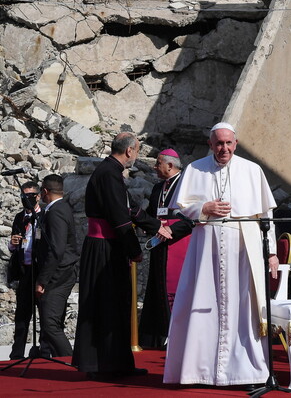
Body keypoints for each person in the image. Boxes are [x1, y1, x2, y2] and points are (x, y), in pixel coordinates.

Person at [163, 122, 279, 389]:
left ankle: (246, 372)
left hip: (243, 247)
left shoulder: (252, 170)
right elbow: (179, 209)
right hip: (207, 248)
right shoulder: (195, 169)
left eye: (228, 143)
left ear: (235, 144)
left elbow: (265, 216)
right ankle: (199, 371)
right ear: (210, 144)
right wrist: (203, 207)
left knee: (244, 308)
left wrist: (271, 252)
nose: (224, 148)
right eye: (218, 143)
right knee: (202, 304)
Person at [72, 132, 172, 378]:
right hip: (105, 247)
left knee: (114, 304)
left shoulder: (110, 172)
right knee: (108, 304)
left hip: (106, 245)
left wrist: (155, 225)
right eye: (137, 151)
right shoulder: (109, 174)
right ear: (129, 151)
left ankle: (116, 363)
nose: (136, 156)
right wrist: (134, 249)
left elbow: (131, 209)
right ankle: (103, 365)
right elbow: (120, 219)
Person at [139, 149, 192, 348]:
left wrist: (168, 230)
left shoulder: (187, 185)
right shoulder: (157, 188)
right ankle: (157, 337)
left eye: (158, 163)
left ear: (169, 165)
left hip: (178, 245)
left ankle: (177, 335)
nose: (154, 167)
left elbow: (190, 217)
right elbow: (152, 214)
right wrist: (149, 227)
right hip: (159, 246)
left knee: (176, 291)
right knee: (156, 288)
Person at [35, 174, 79, 357]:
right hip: (62, 271)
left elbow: (57, 249)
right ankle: (51, 357)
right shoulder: (62, 207)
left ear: (45, 191)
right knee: (53, 321)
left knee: (50, 322)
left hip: (59, 274)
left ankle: (69, 361)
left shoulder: (56, 211)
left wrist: (42, 280)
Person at [8, 182, 42, 360]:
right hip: (24, 271)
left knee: (44, 314)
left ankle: (45, 351)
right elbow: (12, 247)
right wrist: (12, 243)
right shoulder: (19, 217)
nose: (25, 200)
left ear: (37, 196)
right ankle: (17, 354)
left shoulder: (44, 216)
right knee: (22, 315)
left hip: (40, 271)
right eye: (23, 196)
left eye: (29, 196)